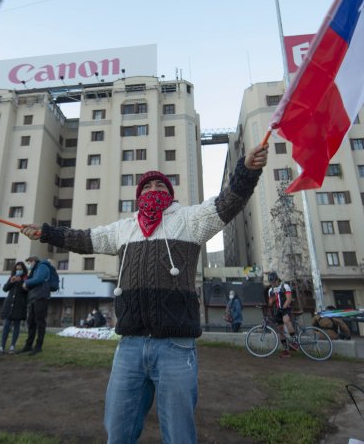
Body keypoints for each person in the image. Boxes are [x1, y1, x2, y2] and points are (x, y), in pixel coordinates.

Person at [20, 144, 267, 443]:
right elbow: (82, 239)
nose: (152, 188)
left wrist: (246, 171)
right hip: (130, 346)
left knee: (179, 435)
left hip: (176, 347)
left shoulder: (191, 220)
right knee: (118, 429)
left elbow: (228, 202)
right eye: (146, 186)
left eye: (159, 184)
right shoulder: (123, 229)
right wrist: (45, 233)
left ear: (170, 193)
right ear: (138, 196)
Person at [18, 255, 54, 355]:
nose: (29, 265)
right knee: (31, 322)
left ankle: (38, 346)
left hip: (41, 298)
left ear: (33, 261)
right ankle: (28, 345)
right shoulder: (34, 270)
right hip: (34, 298)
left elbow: (39, 279)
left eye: (29, 262)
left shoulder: (42, 267)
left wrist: (26, 282)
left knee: (40, 322)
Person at [0, 262, 28, 355]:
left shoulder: (26, 278)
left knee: (16, 326)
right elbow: (5, 289)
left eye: (20, 269)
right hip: (9, 304)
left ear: (23, 270)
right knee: (6, 325)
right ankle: (2, 346)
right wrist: (11, 282)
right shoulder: (11, 277)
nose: (18, 271)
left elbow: (26, 290)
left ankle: (12, 345)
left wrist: (20, 282)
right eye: (17, 269)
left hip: (19, 305)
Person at [267, 272, 297, 357]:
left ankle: (294, 342)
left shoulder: (284, 286)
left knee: (286, 320)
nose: (273, 284)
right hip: (277, 310)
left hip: (286, 308)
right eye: (271, 283)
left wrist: (283, 308)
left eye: (274, 282)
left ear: (277, 280)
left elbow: (289, 299)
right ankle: (286, 350)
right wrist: (273, 298)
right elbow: (270, 303)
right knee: (280, 330)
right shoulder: (270, 290)